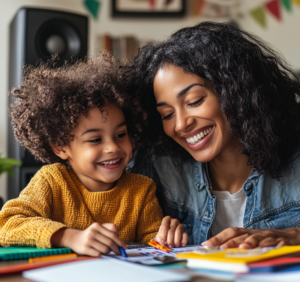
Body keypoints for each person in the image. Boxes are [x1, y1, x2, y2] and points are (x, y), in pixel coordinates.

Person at [126, 22, 300, 249]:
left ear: (236, 91)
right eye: (167, 114)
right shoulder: (155, 167)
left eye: (194, 101)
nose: (181, 124)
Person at [0, 53, 188, 256]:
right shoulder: (51, 181)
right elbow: (7, 223)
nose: (112, 148)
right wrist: (70, 237)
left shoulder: (141, 191)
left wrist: (165, 240)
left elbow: (152, 246)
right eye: (95, 140)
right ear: (60, 147)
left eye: (120, 134)